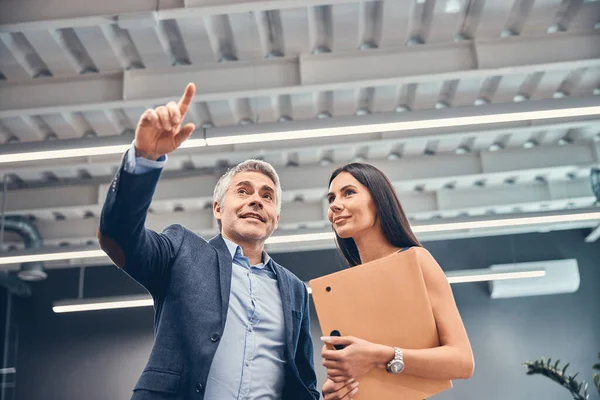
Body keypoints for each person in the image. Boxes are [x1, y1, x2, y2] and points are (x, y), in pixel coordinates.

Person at [98, 83, 319, 400]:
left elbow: (303, 381)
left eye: (267, 196)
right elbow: (118, 237)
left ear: (276, 218)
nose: (256, 200)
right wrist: (146, 158)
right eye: (243, 191)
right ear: (218, 207)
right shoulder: (182, 251)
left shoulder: (295, 288)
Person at [320, 163, 474, 400]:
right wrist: (335, 390)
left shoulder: (416, 260)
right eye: (331, 198)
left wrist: (382, 355)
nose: (334, 205)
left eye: (348, 193)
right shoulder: (344, 290)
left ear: (379, 201)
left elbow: (462, 362)